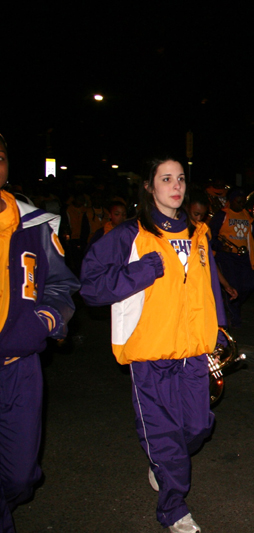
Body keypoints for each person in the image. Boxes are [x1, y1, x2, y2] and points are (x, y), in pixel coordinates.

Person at [81, 157, 226, 533]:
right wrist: (140, 272)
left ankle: (163, 461)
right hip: (149, 354)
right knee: (165, 438)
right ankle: (174, 509)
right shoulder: (129, 234)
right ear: (149, 187)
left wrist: (219, 328)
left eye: (180, 178)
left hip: (194, 351)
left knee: (197, 428)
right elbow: (91, 286)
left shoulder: (199, 233)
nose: (175, 186)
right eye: (165, 179)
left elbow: (208, 287)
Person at [0, 134, 80, 533]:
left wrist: (44, 321)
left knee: (20, 477)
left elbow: (61, 286)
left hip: (19, 368)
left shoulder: (33, 225)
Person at [209, 188, 254, 327]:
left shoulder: (247, 216)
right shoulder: (222, 215)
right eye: (238, 201)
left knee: (248, 286)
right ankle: (234, 317)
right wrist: (219, 246)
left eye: (243, 202)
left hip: (243, 256)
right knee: (233, 285)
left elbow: (252, 235)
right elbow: (211, 235)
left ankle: (229, 305)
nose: (241, 204)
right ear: (231, 201)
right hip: (226, 256)